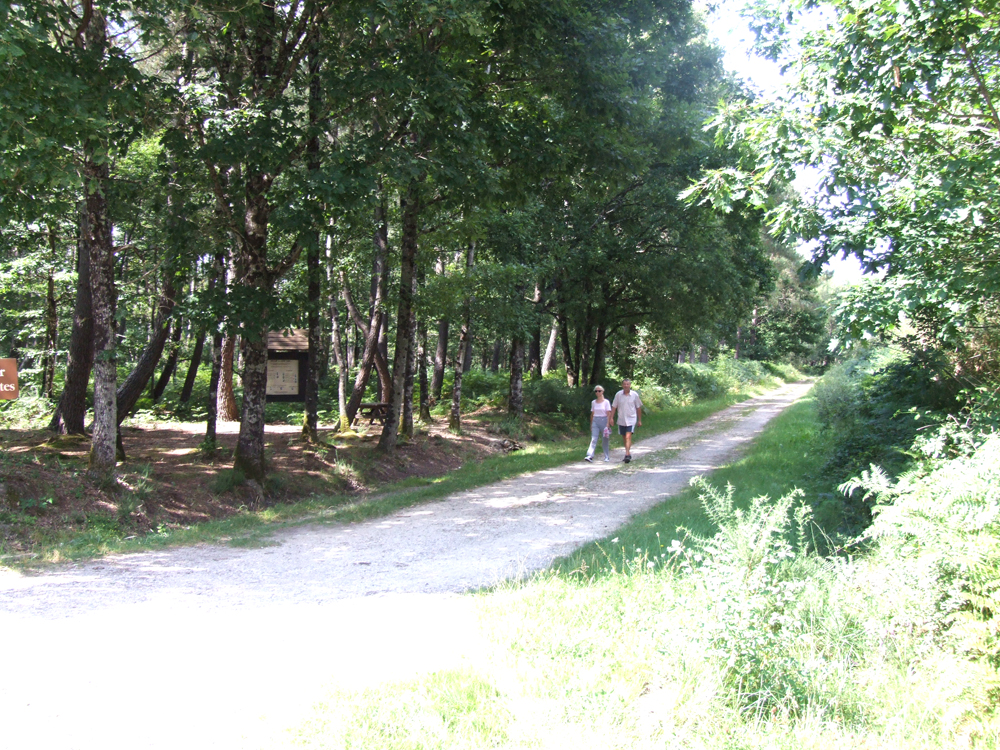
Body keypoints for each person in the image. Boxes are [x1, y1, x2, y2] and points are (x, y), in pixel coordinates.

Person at [609, 378, 642, 463]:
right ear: (622, 385)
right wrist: (611, 418)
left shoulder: (634, 395)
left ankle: (627, 454)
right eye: (624, 384)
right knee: (624, 436)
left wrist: (639, 420)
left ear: (630, 385)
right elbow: (614, 407)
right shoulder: (618, 395)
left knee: (628, 436)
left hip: (631, 418)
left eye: (628, 384)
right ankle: (628, 451)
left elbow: (638, 408)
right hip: (621, 419)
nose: (626, 386)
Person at [584, 385, 612, 462]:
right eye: (596, 391)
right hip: (595, 421)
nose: (597, 392)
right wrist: (591, 423)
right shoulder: (593, 402)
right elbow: (592, 413)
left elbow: (608, 413)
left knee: (605, 439)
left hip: (604, 419)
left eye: (599, 391)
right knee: (593, 438)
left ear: (602, 392)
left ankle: (606, 456)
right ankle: (590, 455)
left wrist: (608, 423)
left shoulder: (606, 402)